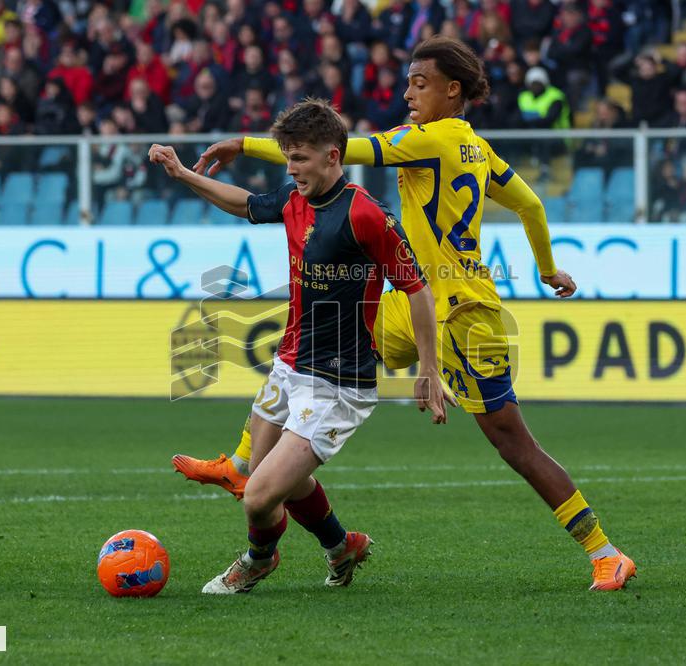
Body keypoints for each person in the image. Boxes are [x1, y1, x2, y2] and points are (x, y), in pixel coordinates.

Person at [176, 35, 637, 592]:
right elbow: (531, 205)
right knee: (316, 348)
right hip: (408, 303)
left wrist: (242, 143)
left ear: (452, 90)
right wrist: (545, 268)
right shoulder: (474, 147)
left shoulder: (428, 139)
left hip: (464, 314)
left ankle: (605, 552)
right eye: (409, 82)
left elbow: (338, 148)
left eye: (420, 83)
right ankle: (249, 465)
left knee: (512, 441)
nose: (409, 92)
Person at [149, 99, 449, 594]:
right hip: (291, 367)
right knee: (261, 483)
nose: (291, 168)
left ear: (334, 156)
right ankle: (342, 546)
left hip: (340, 384)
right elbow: (244, 203)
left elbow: (417, 289)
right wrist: (183, 174)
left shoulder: (367, 215)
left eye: (301, 158)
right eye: (288, 157)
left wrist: (428, 369)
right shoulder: (295, 200)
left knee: (258, 496)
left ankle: (258, 559)